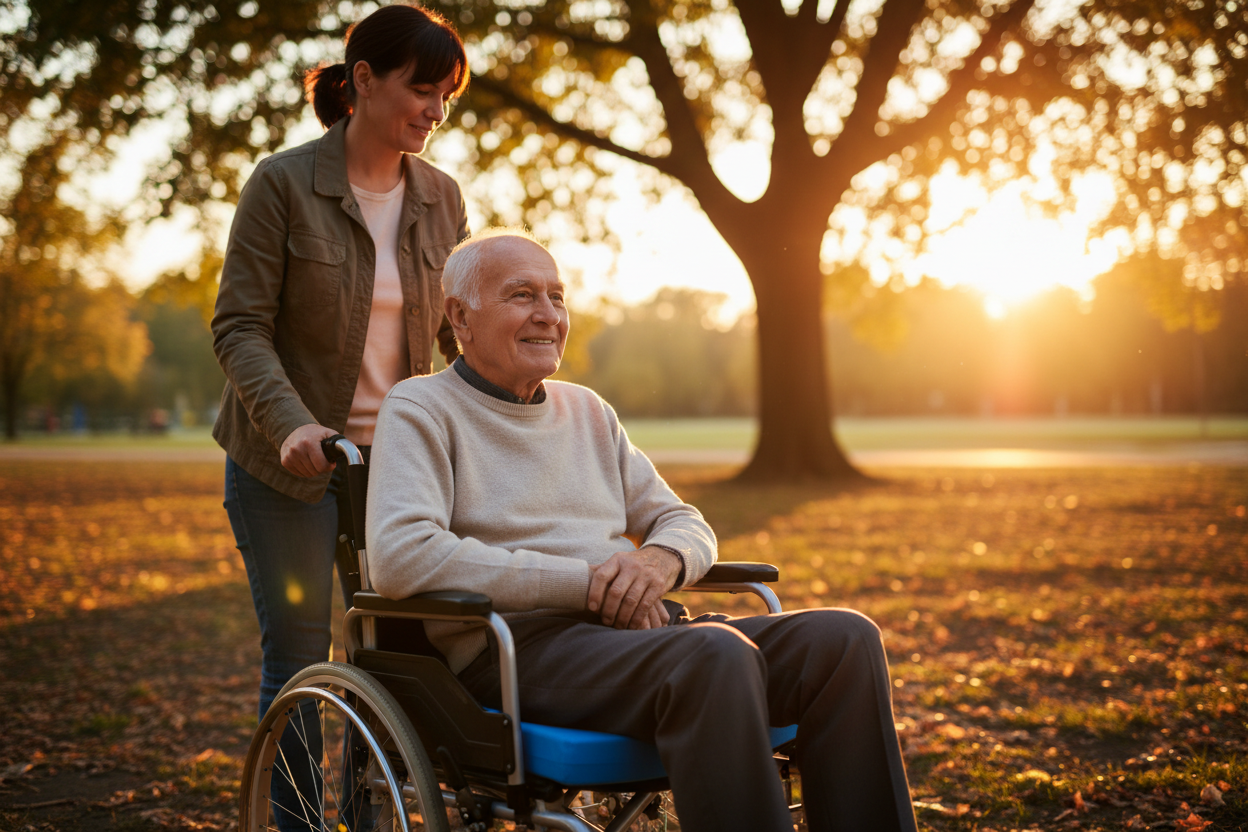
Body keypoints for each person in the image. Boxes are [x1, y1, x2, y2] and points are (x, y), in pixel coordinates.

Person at [366, 229, 919, 832]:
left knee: (844, 640)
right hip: (516, 651)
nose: (548, 315)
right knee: (713, 653)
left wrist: (657, 564)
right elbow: (402, 555)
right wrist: (591, 585)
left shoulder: (588, 412)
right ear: (461, 317)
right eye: (522, 295)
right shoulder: (420, 407)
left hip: (634, 641)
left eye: (557, 296)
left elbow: (684, 521)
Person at [211, 5, 469, 828]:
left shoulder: (442, 198)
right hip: (284, 466)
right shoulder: (282, 184)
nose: (435, 110)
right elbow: (239, 325)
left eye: (447, 97)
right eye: (422, 89)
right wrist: (291, 424)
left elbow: (452, 336)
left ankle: (370, 821)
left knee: (389, 656)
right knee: (299, 656)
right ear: (363, 79)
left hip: (393, 470)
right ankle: (294, 823)